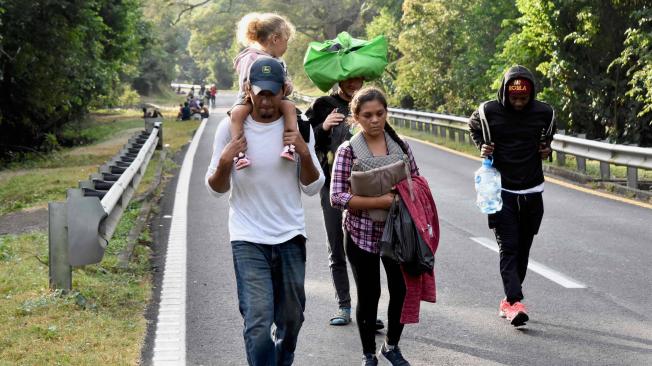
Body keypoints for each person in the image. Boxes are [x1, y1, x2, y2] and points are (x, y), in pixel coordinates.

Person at [205, 57, 324, 366]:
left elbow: (312, 187)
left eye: (274, 93)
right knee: (258, 325)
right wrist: (225, 161)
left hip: (290, 236)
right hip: (248, 238)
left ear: (283, 90)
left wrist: (303, 153)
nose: (268, 101)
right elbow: (216, 188)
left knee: (292, 319)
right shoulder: (230, 128)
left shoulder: (300, 127)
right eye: (261, 93)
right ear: (249, 90)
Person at [331, 87, 420, 366]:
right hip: (361, 235)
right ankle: (368, 353)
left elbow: (417, 183)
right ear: (355, 117)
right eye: (367, 115)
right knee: (369, 296)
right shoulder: (348, 151)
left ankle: (391, 346)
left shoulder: (401, 146)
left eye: (380, 113)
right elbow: (337, 196)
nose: (374, 120)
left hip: (398, 236)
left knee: (401, 292)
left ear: (386, 113)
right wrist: (378, 200)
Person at [468, 65, 556, 327]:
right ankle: (515, 302)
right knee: (509, 246)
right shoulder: (488, 111)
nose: (518, 103)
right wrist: (481, 146)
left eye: (524, 98)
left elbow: (547, 138)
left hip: (532, 190)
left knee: (523, 249)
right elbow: (473, 126)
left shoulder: (545, 112)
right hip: (501, 191)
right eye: (514, 97)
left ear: (531, 94)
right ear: (505, 93)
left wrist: (546, 150)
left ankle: (508, 301)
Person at [306, 77, 383, 331]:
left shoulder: (368, 106)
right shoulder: (323, 105)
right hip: (332, 187)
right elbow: (305, 142)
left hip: (366, 188)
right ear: (339, 78)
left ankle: (367, 310)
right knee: (337, 247)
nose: (354, 84)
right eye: (349, 79)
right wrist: (323, 127)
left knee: (365, 251)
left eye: (358, 79)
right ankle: (344, 305)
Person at [229, 12, 299, 169]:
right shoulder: (251, 57)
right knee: (237, 114)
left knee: (289, 107)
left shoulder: (279, 62)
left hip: (276, 97)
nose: (286, 46)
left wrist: (287, 87)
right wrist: (249, 88)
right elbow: (245, 81)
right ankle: (239, 152)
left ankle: (290, 146)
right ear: (275, 39)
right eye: (286, 41)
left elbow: (285, 81)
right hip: (250, 98)